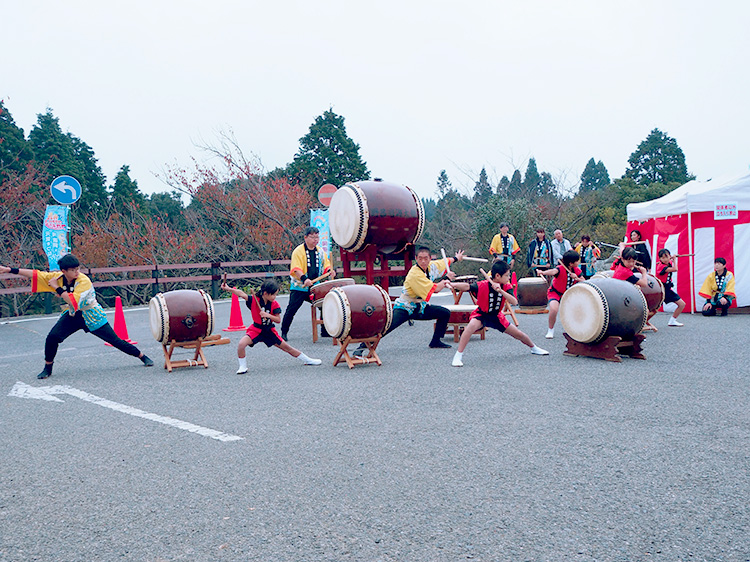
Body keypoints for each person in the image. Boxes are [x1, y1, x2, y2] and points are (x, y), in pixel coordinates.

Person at [0, 255, 154, 379]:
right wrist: (7, 269)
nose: (77, 272)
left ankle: (141, 356)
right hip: (73, 314)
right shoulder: (58, 277)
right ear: (64, 271)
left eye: (78, 268)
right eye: (73, 270)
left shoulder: (83, 280)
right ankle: (48, 367)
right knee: (52, 337)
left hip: (91, 314)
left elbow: (72, 300)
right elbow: (36, 274)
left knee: (115, 340)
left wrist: (56, 287)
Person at [353, 247, 464, 356]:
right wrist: (447, 279)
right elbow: (435, 289)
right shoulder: (414, 274)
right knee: (386, 327)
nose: (423, 261)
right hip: (405, 307)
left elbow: (445, 262)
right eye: (420, 258)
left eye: (426, 258)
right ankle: (362, 347)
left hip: (421, 307)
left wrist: (456, 258)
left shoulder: (432, 266)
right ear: (416, 258)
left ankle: (436, 341)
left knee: (444, 313)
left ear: (430, 258)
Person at [450, 260, 549, 367]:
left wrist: (501, 291)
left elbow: (514, 302)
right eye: (507, 275)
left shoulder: (506, 287)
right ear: (497, 276)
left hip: (497, 316)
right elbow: (467, 287)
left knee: (518, 334)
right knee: (470, 328)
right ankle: (458, 356)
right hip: (482, 314)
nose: (509, 278)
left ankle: (533, 347)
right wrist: (453, 284)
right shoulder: (482, 285)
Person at [221, 279, 321, 373]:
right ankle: (242, 366)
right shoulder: (254, 300)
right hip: (256, 329)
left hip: (269, 330)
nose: (274, 297)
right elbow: (242, 294)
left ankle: (307, 360)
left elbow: (278, 320)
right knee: (241, 344)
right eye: (273, 294)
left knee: (287, 347)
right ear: (265, 293)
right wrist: (228, 289)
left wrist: (268, 315)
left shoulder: (274, 304)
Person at [280, 227, 334, 341]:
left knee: (324, 304)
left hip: (315, 286)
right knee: (292, 309)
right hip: (300, 286)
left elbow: (326, 265)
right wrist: (305, 279)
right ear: (306, 237)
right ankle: (283, 332)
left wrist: (330, 271)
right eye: (313, 237)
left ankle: (324, 331)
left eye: (317, 237)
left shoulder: (320, 251)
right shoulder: (298, 251)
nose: (315, 240)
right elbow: (296, 268)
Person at [537, 250, 584, 339]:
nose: (578, 262)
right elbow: (553, 271)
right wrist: (543, 272)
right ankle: (550, 330)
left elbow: (585, 281)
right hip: (555, 292)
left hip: (569, 294)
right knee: (554, 309)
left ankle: (574, 330)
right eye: (577, 261)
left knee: (576, 311)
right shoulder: (560, 268)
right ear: (571, 263)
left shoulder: (577, 270)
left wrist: (577, 278)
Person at [655, 249, 686, 326]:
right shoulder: (661, 266)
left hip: (667, 290)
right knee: (654, 309)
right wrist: (674, 260)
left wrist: (672, 258)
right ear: (660, 259)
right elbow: (675, 269)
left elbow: (670, 263)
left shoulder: (668, 263)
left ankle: (672, 320)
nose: (665, 259)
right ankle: (645, 321)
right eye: (662, 258)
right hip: (661, 290)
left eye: (666, 257)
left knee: (682, 304)